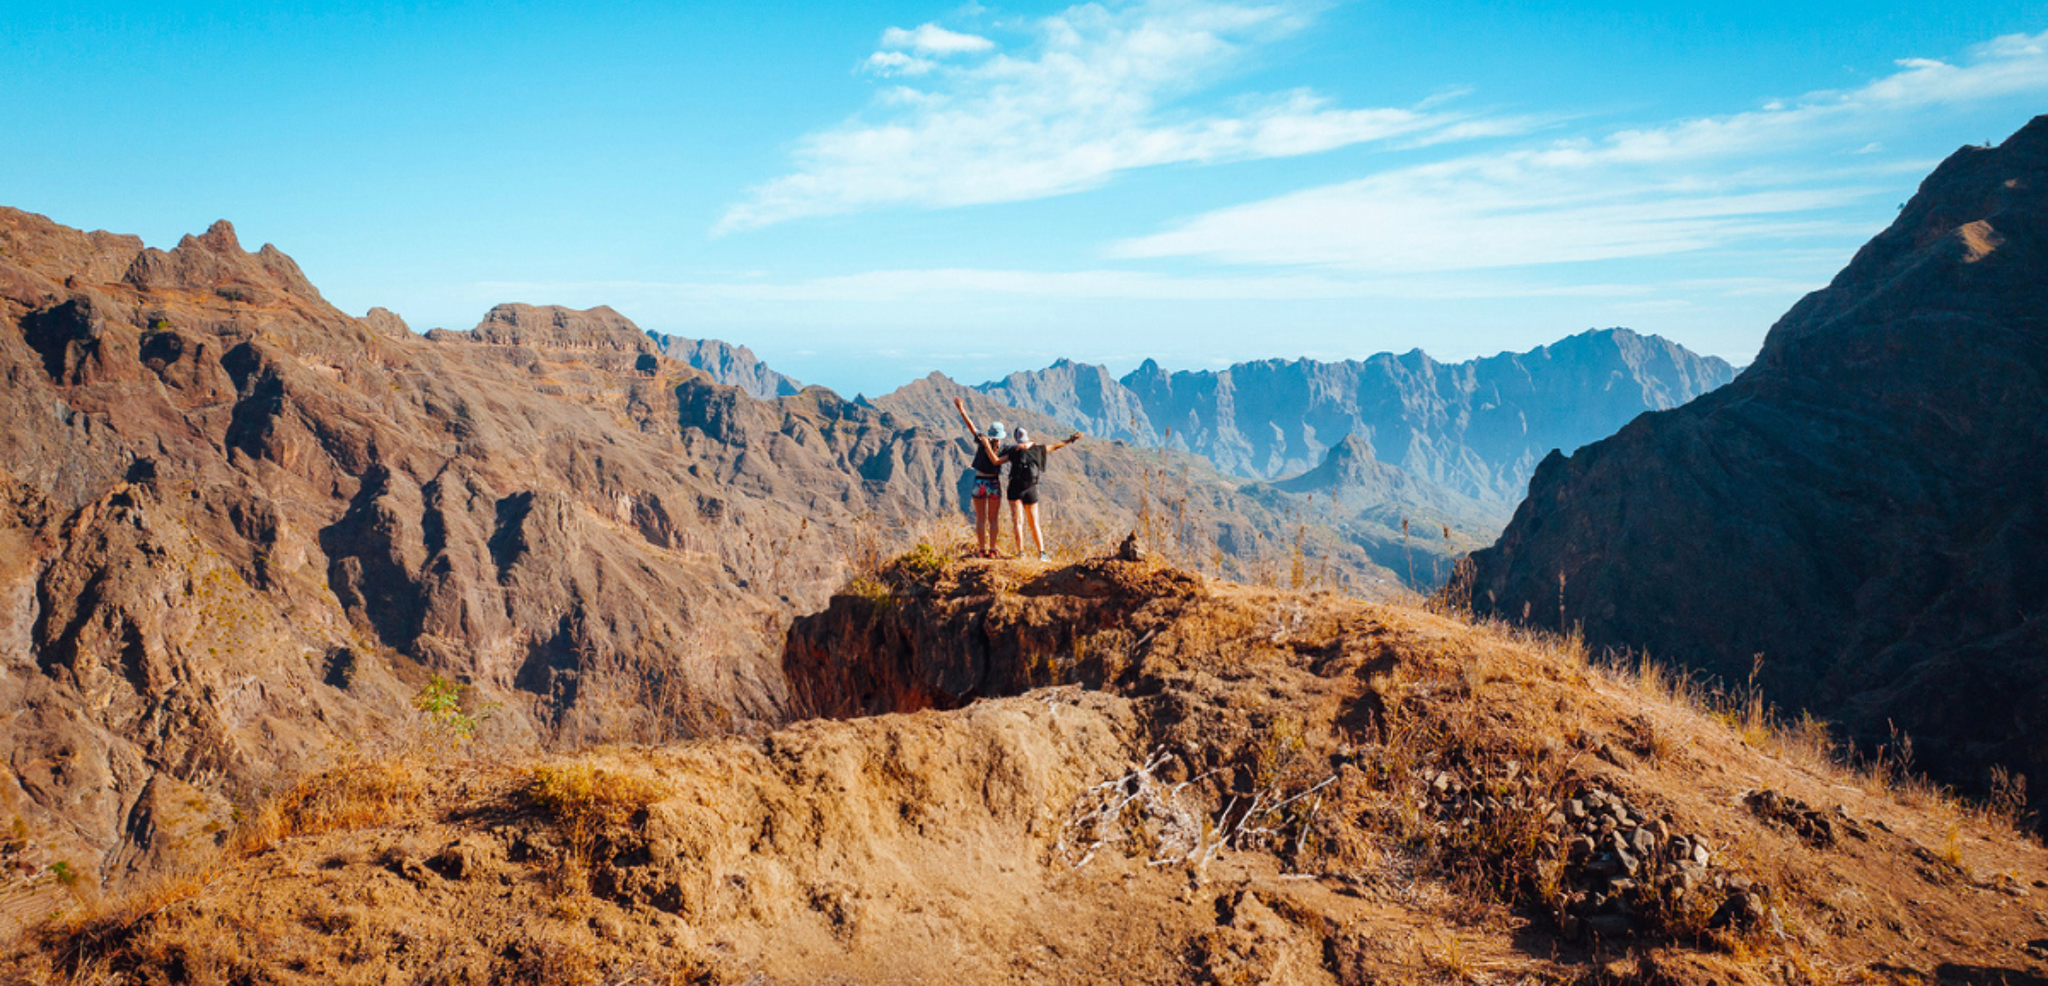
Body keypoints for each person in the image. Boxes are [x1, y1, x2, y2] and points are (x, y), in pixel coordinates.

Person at [1003, 425, 1083, 562]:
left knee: (1018, 522)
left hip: (1015, 489)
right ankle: (1042, 553)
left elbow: (996, 461)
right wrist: (1071, 439)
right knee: (1034, 522)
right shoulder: (1039, 449)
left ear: (1016, 438)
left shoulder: (1013, 451)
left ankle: (1021, 553)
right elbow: (1056, 446)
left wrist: (987, 447)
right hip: (1031, 489)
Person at [952, 396, 1009, 558]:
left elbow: (971, 426)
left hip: (979, 482)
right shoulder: (1004, 449)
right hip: (994, 483)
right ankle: (992, 549)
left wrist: (961, 410)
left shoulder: (982, 440)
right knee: (993, 520)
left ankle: (981, 549)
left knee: (980, 518)